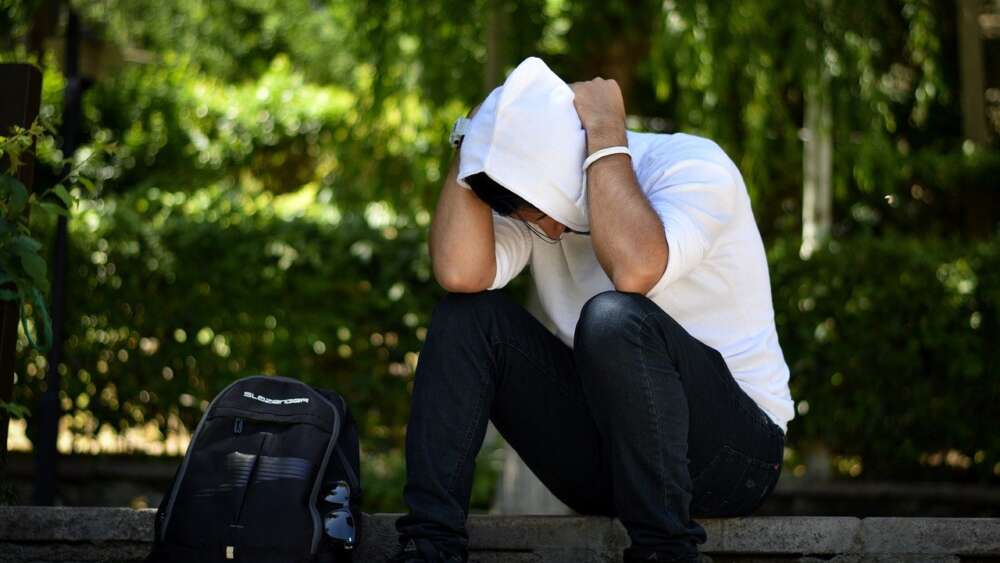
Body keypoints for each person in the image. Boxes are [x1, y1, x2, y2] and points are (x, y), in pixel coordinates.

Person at [389, 57, 793, 563]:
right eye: (531, 217)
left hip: (734, 455)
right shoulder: (537, 199)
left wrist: (603, 129)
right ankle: (430, 546)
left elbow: (635, 271)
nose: (549, 231)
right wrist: (475, 139)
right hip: (610, 459)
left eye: (542, 213)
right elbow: (459, 272)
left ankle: (666, 554)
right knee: (466, 316)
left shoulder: (693, 167)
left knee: (612, 318)